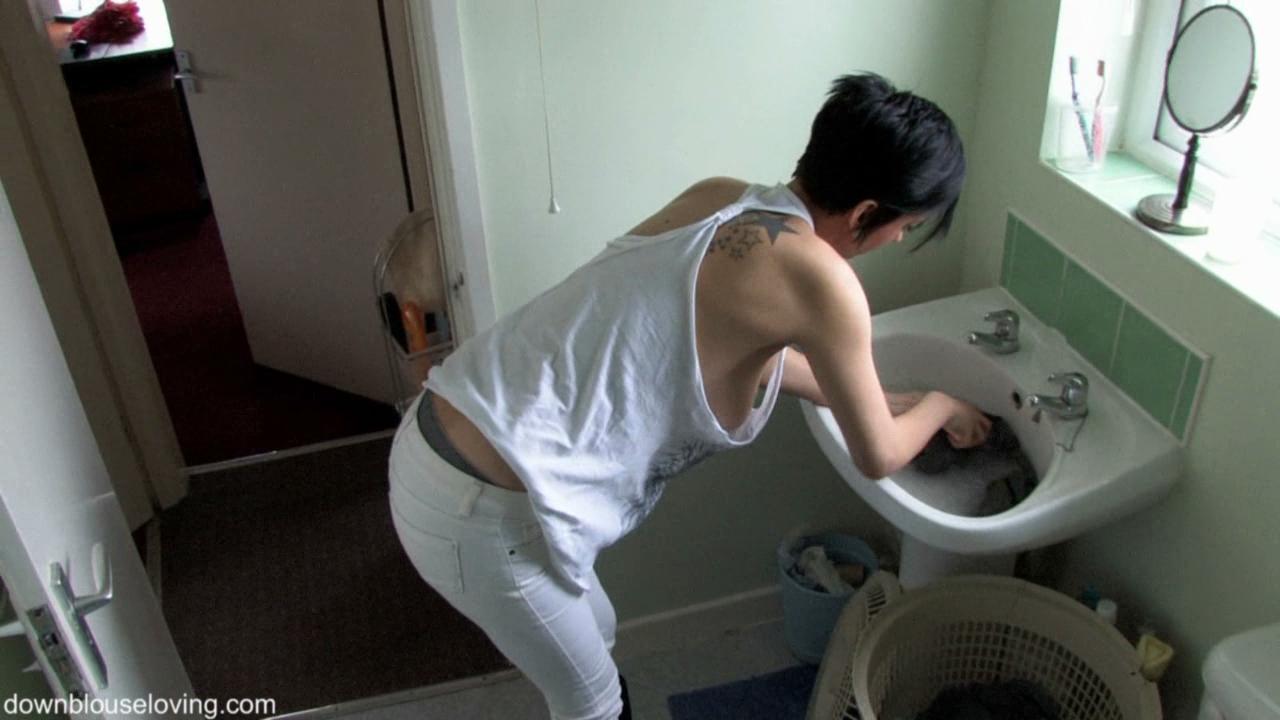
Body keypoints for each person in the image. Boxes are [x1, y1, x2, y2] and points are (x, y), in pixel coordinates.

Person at [386, 72, 991, 720]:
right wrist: (941, 405)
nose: (898, 241)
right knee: (591, 705)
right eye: (906, 227)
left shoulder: (720, 197)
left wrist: (885, 399)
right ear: (867, 213)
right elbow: (878, 456)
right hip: (481, 510)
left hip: (440, 434)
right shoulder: (826, 282)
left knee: (600, 636)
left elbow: (717, 345)